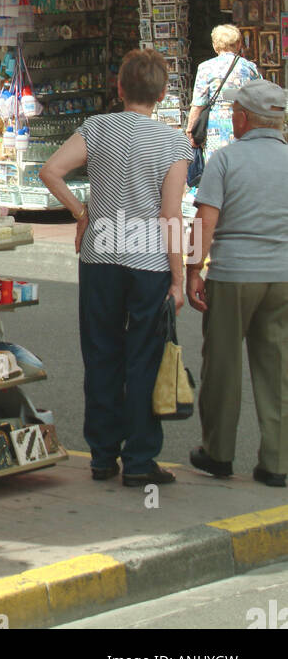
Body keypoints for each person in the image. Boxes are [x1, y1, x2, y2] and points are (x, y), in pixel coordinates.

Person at [40, 50, 192, 488]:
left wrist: (80, 212)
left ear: (120, 88)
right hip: (147, 262)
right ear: (162, 93)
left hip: (100, 256)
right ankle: (140, 459)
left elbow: (51, 172)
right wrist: (178, 278)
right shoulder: (173, 143)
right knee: (144, 357)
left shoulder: (98, 128)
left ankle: (102, 454)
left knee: (101, 352)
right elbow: (170, 216)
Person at [187, 78, 288, 487]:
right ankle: (277, 463)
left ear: (244, 119)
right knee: (277, 368)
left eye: (234, 113)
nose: (232, 118)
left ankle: (219, 453)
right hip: (282, 276)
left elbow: (206, 220)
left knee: (223, 366)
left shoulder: (225, 160)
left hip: (233, 274)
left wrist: (194, 270)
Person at [186, 25, 260, 157]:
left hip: (216, 130)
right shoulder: (250, 68)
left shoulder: (206, 68)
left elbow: (198, 104)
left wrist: (190, 131)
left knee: (217, 170)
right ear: (238, 45)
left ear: (215, 46)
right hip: (244, 127)